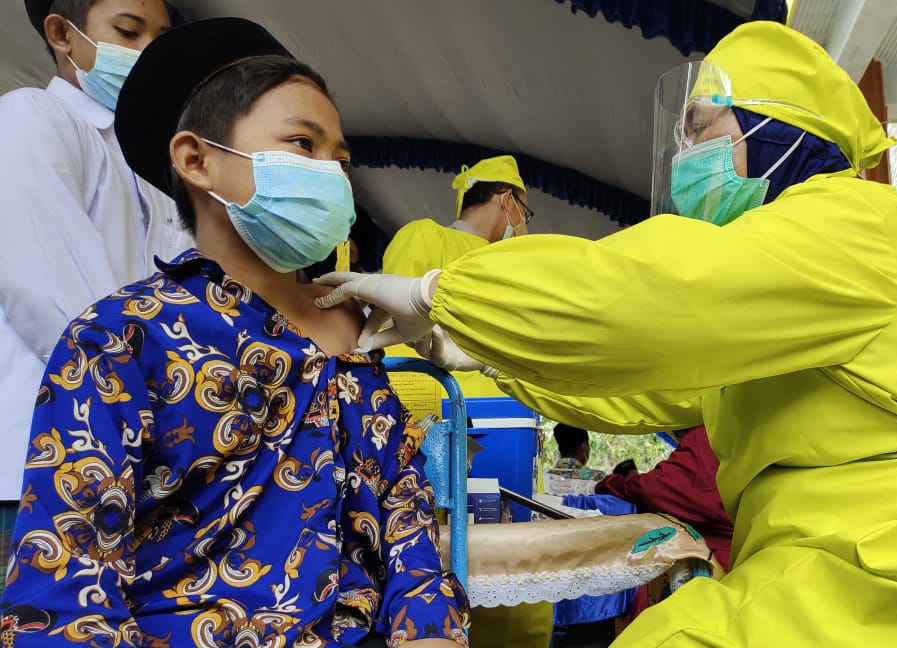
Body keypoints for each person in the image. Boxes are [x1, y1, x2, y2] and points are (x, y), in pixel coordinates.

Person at [314, 19, 897, 647]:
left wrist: (442, 296)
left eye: (700, 128)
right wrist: (468, 345)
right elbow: (646, 384)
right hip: (858, 550)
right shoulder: (768, 291)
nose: (683, 152)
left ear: (778, 130)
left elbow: (644, 293)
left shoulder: (849, 222)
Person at [0, 18, 467, 647]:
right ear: (196, 161)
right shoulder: (122, 339)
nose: (331, 175)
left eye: (340, 161)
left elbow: (407, 531)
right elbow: (64, 590)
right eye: (303, 144)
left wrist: (433, 632)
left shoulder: (359, 345)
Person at [0, 0, 192, 587]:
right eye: (129, 32)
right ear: (62, 34)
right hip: (34, 468)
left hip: (125, 467)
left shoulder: (153, 165)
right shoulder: (32, 117)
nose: (148, 53)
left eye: (160, 39)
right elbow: (55, 296)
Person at [378, 155, 531, 398]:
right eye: (524, 212)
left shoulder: (509, 262)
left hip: (502, 407)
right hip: (437, 406)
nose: (523, 223)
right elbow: (398, 327)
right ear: (507, 200)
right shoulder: (426, 235)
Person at [596, 426, 732, 570]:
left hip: (724, 561)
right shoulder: (721, 432)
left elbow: (651, 490)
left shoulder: (704, 437)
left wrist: (606, 485)